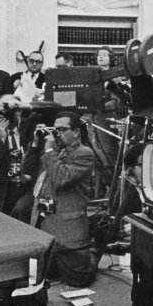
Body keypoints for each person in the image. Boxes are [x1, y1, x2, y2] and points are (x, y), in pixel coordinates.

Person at [27, 112, 97, 287]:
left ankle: (95, 252)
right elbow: (26, 170)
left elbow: (61, 179)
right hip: (44, 225)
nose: (58, 134)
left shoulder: (84, 154)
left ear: (76, 132)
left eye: (63, 129)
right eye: (55, 129)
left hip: (67, 232)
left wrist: (49, 150)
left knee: (78, 281)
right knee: (35, 277)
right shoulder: (52, 151)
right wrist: (36, 144)